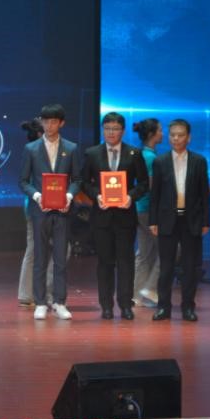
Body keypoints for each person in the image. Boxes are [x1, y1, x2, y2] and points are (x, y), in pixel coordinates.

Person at [82, 112, 149, 320]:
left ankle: (126, 305)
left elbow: (144, 184)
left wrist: (131, 197)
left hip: (125, 216)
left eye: (115, 129)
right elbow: (84, 182)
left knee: (126, 262)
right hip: (101, 217)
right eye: (108, 129)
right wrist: (97, 196)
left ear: (123, 131)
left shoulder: (134, 153)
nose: (111, 133)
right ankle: (106, 306)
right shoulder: (92, 153)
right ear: (103, 130)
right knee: (105, 262)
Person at [19, 104, 82, 321]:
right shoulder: (31, 149)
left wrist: (69, 196)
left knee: (60, 258)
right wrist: (37, 196)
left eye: (54, 121)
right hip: (40, 210)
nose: (49, 125)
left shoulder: (71, 148)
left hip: (62, 210)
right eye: (46, 121)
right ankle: (40, 302)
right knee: (39, 257)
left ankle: (59, 301)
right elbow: (23, 181)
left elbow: (77, 179)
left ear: (61, 123)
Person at [150, 119, 210, 322]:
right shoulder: (160, 161)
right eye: (172, 135)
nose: (176, 138)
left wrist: (206, 221)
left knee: (190, 267)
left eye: (180, 135)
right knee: (166, 267)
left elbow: (204, 195)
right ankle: (163, 307)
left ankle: (188, 307)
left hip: (191, 220)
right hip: (167, 219)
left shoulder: (199, 161)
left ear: (188, 137)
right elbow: (155, 194)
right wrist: (153, 221)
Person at [16, 118, 55, 306]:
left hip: (36, 206)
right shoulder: (36, 151)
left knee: (34, 249)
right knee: (54, 249)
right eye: (47, 126)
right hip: (39, 206)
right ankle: (44, 292)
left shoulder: (33, 150)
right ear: (40, 133)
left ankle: (27, 294)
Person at [131, 118, 163, 307]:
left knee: (144, 253)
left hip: (140, 208)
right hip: (149, 209)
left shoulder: (144, 154)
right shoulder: (150, 157)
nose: (162, 133)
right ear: (152, 134)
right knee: (168, 250)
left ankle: (137, 295)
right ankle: (149, 288)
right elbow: (152, 186)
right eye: (160, 130)